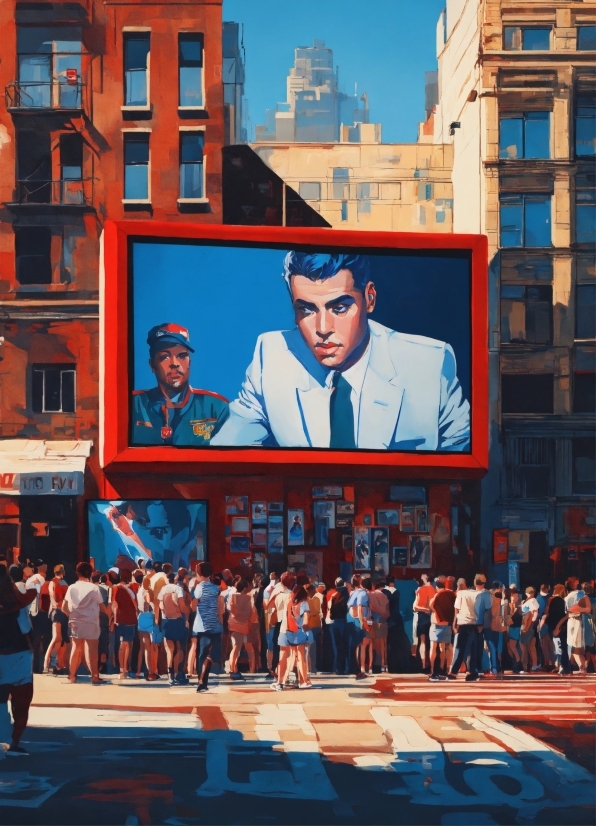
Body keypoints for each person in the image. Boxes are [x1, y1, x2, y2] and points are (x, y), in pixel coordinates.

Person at [211, 252, 470, 450]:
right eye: (307, 310)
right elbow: (228, 449)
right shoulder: (272, 355)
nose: (323, 328)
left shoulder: (429, 363)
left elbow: (462, 460)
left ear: (369, 299)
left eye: (339, 308)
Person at [132, 322, 228, 446]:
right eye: (165, 357)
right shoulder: (133, 406)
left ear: (189, 362)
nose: (175, 363)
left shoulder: (216, 408)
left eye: (182, 356)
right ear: (152, 365)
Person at [0, 562, 38, 756]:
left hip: (12, 653)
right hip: (18, 654)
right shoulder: (14, 598)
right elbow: (30, 598)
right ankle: (13, 740)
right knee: (21, 703)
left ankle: (4, 739)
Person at [62, 562, 109, 685]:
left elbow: (64, 607)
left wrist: (71, 616)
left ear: (77, 573)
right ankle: (94, 676)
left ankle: (72, 676)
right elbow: (102, 607)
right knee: (92, 649)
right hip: (91, 621)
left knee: (75, 648)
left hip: (75, 621)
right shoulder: (94, 588)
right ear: (90, 573)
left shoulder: (71, 587)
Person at [271, 583, 311, 691]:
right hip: (298, 632)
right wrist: (307, 631)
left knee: (283, 658)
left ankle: (280, 683)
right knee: (301, 657)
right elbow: (306, 621)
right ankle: (303, 681)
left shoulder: (287, 601)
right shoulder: (304, 604)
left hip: (284, 631)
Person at [193, 562, 225, 693]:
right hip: (216, 625)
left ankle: (202, 682)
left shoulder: (198, 588)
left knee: (202, 653)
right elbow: (220, 608)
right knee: (212, 654)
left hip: (202, 625)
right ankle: (203, 679)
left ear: (198, 574)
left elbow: (193, 606)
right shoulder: (216, 589)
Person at [158, 572, 189, 685]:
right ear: (175, 579)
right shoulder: (178, 589)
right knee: (180, 648)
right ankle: (179, 673)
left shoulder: (163, 589)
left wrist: (160, 618)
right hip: (178, 620)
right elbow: (181, 605)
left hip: (166, 620)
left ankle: (170, 675)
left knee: (169, 650)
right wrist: (187, 611)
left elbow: (160, 605)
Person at [448, 579, 479, 681]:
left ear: (460, 585)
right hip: (474, 624)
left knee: (459, 648)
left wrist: (454, 624)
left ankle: (453, 672)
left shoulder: (460, 594)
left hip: (463, 623)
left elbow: (457, 610)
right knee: (472, 649)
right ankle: (472, 672)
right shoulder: (475, 593)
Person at [111, 568, 139, 680]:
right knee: (128, 644)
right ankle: (126, 668)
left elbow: (114, 604)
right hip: (131, 619)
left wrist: (114, 618)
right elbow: (135, 605)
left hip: (120, 619)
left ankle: (122, 669)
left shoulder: (115, 588)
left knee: (122, 645)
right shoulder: (131, 589)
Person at [43, 565, 70, 675]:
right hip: (59, 611)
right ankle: (48, 663)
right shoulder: (61, 583)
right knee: (57, 638)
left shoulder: (52, 582)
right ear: (63, 572)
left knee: (60, 639)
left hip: (56, 611)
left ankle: (56, 664)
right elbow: (58, 599)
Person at [428, 577, 456, 681]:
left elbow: (431, 605)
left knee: (433, 647)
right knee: (446, 647)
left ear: (436, 586)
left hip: (437, 623)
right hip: (447, 624)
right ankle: (447, 669)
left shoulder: (437, 595)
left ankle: (432, 669)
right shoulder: (451, 594)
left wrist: (437, 613)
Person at [228, 579, 256, 680]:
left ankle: (233, 668)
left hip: (233, 624)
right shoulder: (248, 598)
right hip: (243, 624)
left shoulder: (233, 596)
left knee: (235, 647)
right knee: (237, 648)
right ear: (245, 587)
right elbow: (250, 611)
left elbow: (231, 609)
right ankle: (233, 670)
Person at [26, 560, 50, 674]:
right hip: (39, 612)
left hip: (30, 612)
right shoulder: (41, 579)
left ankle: (35, 667)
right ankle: (41, 666)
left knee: (34, 640)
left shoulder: (29, 580)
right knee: (43, 638)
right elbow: (41, 595)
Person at [566, 581, 592, 676]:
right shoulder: (582, 595)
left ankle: (580, 666)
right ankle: (581, 667)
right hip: (577, 620)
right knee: (576, 646)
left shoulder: (567, 596)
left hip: (572, 620)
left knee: (574, 645)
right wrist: (578, 609)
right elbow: (588, 609)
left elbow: (567, 611)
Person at [544, 583, 571, 675]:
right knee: (559, 647)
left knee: (560, 647)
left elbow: (561, 615)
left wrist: (557, 626)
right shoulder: (559, 600)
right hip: (557, 626)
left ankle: (563, 666)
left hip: (557, 627)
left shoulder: (557, 600)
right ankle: (560, 665)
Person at [412, 574, 436, 672]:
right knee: (432, 643)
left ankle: (423, 663)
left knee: (422, 642)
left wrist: (424, 609)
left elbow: (415, 607)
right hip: (433, 617)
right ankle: (432, 665)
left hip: (422, 617)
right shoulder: (434, 590)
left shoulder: (420, 590)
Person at [327, 577, 350, 675]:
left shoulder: (333, 595)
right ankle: (346, 667)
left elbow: (330, 610)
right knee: (345, 645)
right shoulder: (347, 595)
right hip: (345, 622)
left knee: (336, 647)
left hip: (335, 622)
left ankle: (337, 668)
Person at [473, 574, 493, 676]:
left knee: (479, 645)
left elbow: (482, 610)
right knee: (482, 645)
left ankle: (482, 666)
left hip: (479, 624)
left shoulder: (482, 595)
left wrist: (480, 623)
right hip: (482, 623)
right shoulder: (486, 594)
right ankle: (484, 666)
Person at [369, 581, 390, 673]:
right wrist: (384, 614)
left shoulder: (372, 595)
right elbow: (387, 611)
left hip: (375, 621)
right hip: (384, 621)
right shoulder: (385, 596)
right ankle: (384, 664)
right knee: (383, 644)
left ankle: (376, 665)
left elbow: (372, 607)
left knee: (375, 644)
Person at [520, 587, 540, 673]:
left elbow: (534, 613)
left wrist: (529, 625)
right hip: (527, 625)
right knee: (530, 646)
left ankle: (533, 664)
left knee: (530, 646)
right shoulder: (527, 601)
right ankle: (531, 664)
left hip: (529, 626)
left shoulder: (532, 601)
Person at [305, 584, 323, 674]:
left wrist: (311, 613)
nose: (309, 592)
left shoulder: (317, 599)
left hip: (316, 625)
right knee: (308, 648)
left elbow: (315, 610)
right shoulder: (305, 600)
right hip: (308, 626)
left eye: (309, 590)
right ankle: (309, 667)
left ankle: (313, 667)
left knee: (314, 648)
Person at [536, 584, 554, 670]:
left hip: (544, 623)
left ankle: (548, 662)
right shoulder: (549, 598)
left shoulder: (539, 598)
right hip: (548, 623)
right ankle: (550, 662)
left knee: (545, 644)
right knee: (548, 643)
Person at [507, 586, 524, 674]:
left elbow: (511, 619)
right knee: (511, 646)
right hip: (511, 627)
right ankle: (515, 662)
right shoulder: (509, 606)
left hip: (516, 627)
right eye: (513, 596)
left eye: (516, 596)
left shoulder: (520, 607)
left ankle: (518, 662)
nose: (514, 598)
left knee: (513, 645)